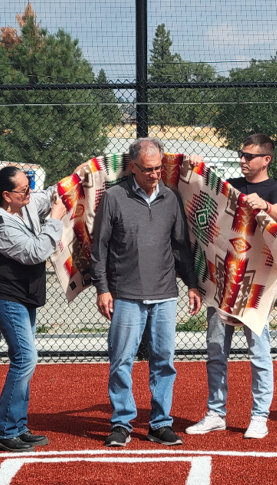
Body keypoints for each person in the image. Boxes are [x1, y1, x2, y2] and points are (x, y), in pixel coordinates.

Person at [91, 137, 202, 447]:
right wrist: (103, 289)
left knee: (164, 361)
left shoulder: (172, 197)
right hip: (125, 294)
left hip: (165, 293)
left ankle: (160, 423)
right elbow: (99, 246)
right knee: (121, 360)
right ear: (133, 167)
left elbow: (181, 246)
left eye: (159, 168)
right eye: (149, 169)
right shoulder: (113, 197)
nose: (155, 174)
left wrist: (191, 283)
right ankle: (122, 423)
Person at [185, 133, 277, 439]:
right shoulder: (231, 185)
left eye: (249, 156)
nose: (243, 160)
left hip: (254, 286)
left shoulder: (275, 189)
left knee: (259, 352)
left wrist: (266, 206)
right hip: (223, 283)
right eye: (241, 155)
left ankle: (259, 416)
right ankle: (216, 413)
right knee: (216, 350)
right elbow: (205, 189)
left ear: (266, 160)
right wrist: (195, 169)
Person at [0, 166, 67, 452]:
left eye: (29, 187)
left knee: (24, 361)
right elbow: (35, 252)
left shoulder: (23, 206)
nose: (30, 193)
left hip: (22, 296)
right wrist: (54, 220)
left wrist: (83, 174)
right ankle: (3, 432)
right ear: (6, 195)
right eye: (23, 190)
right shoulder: (0, 224)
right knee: (25, 359)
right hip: (4, 296)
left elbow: (51, 193)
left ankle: (17, 426)